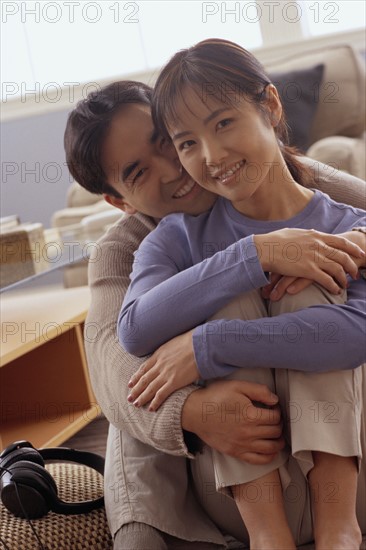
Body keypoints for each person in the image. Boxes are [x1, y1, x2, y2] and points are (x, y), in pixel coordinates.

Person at [64, 79, 366, 550]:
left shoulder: (309, 187)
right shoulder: (133, 247)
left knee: (318, 280)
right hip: (222, 450)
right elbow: (113, 363)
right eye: (138, 173)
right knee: (139, 402)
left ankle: (338, 528)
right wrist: (191, 410)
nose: (176, 170)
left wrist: (353, 245)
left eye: (169, 142)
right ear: (119, 201)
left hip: (335, 430)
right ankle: (154, 534)